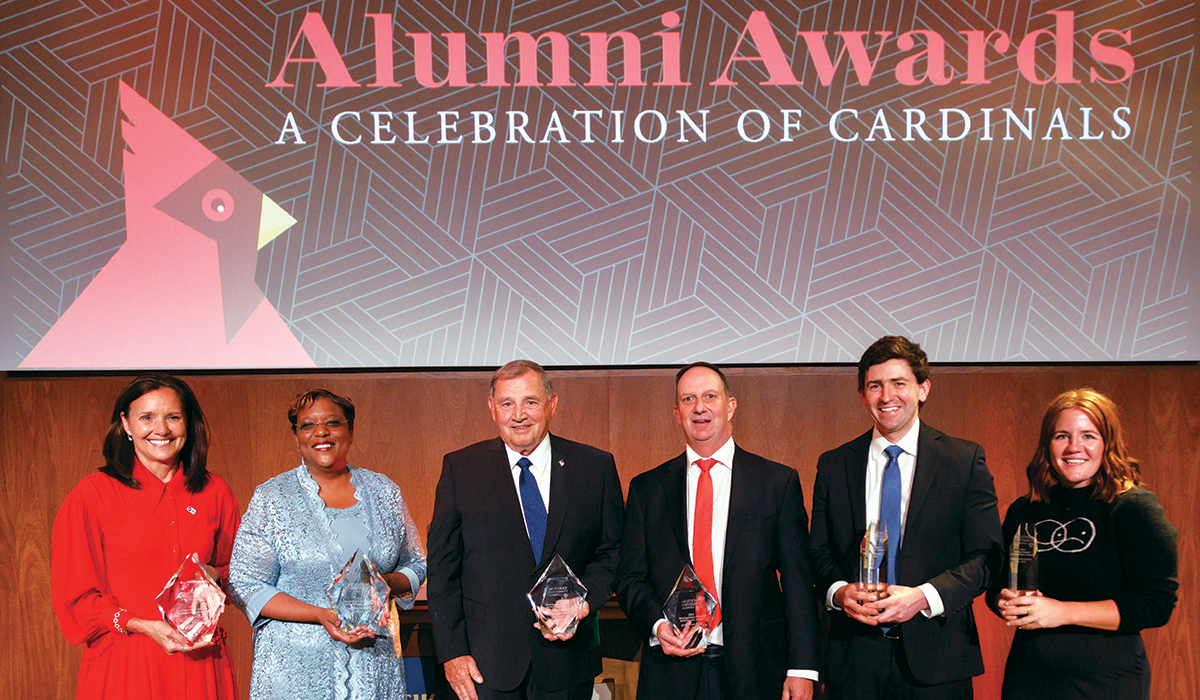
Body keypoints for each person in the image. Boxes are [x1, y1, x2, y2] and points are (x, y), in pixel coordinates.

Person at [809, 336, 1003, 699]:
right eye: (875, 386)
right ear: (862, 394)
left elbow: (986, 559)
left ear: (923, 389)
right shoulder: (834, 464)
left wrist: (922, 597)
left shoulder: (963, 461)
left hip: (937, 660)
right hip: (852, 661)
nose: (887, 397)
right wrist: (839, 592)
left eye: (898, 383)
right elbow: (818, 552)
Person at [616, 362, 820, 700]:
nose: (700, 407)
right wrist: (658, 625)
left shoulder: (776, 483)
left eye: (710, 396)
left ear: (730, 406)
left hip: (756, 670)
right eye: (688, 399)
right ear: (676, 413)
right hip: (671, 672)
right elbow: (629, 578)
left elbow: (798, 581)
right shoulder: (647, 489)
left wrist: (802, 668)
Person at [427, 360, 624, 700]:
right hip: (484, 665)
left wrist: (583, 601)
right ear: (492, 408)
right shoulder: (461, 469)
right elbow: (443, 571)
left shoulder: (594, 466)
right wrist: (452, 652)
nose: (519, 414)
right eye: (507, 404)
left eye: (530, 402)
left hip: (567, 661)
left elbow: (614, 550)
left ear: (552, 404)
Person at [52, 373, 241, 699]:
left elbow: (241, 573)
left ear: (188, 423)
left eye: (173, 417)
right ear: (125, 424)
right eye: (147, 417)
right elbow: (77, 601)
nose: (162, 429)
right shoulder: (92, 495)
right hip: (126, 665)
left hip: (201, 664)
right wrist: (139, 624)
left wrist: (215, 577)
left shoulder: (215, 491)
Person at [228, 389, 426, 699]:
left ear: (350, 430)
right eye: (307, 425)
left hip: (374, 668)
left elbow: (417, 563)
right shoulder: (272, 498)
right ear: (296, 438)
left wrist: (383, 582)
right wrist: (320, 614)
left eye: (332, 422)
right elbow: (245, 583)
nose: (321, 432)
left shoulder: (385, 492)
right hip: (295, 672)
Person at [988, 388, 1178, 700]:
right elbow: (996, 585)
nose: (1074, 447)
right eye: (1062, 436)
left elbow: (1155, 605)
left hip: (1107, 681)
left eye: (1088, 436)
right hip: (1029, 677)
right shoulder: (1025, 510)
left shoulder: (1134, 508)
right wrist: (1005, 602)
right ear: (1047, 445)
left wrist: (1062, 612)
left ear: (1107, 444)